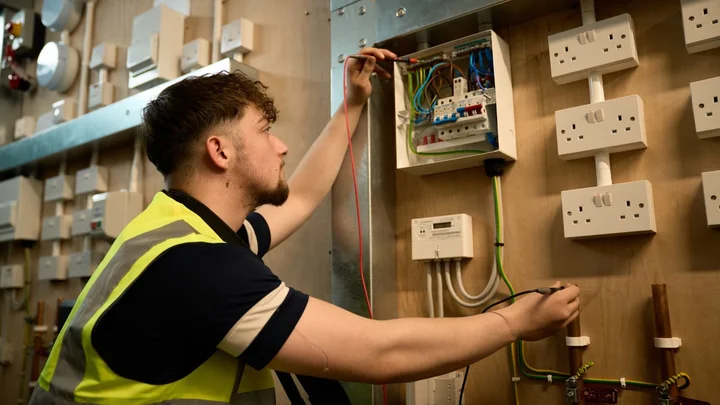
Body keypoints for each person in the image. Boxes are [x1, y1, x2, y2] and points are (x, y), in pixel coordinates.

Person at [30, 47, 580, 405]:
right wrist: (514, 323)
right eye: (266, 130)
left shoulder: (187, 231)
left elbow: (306, 196)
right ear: (220, 151)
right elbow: (378, 353)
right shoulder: (195, 267)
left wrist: (351, 105)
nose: (282, 144)